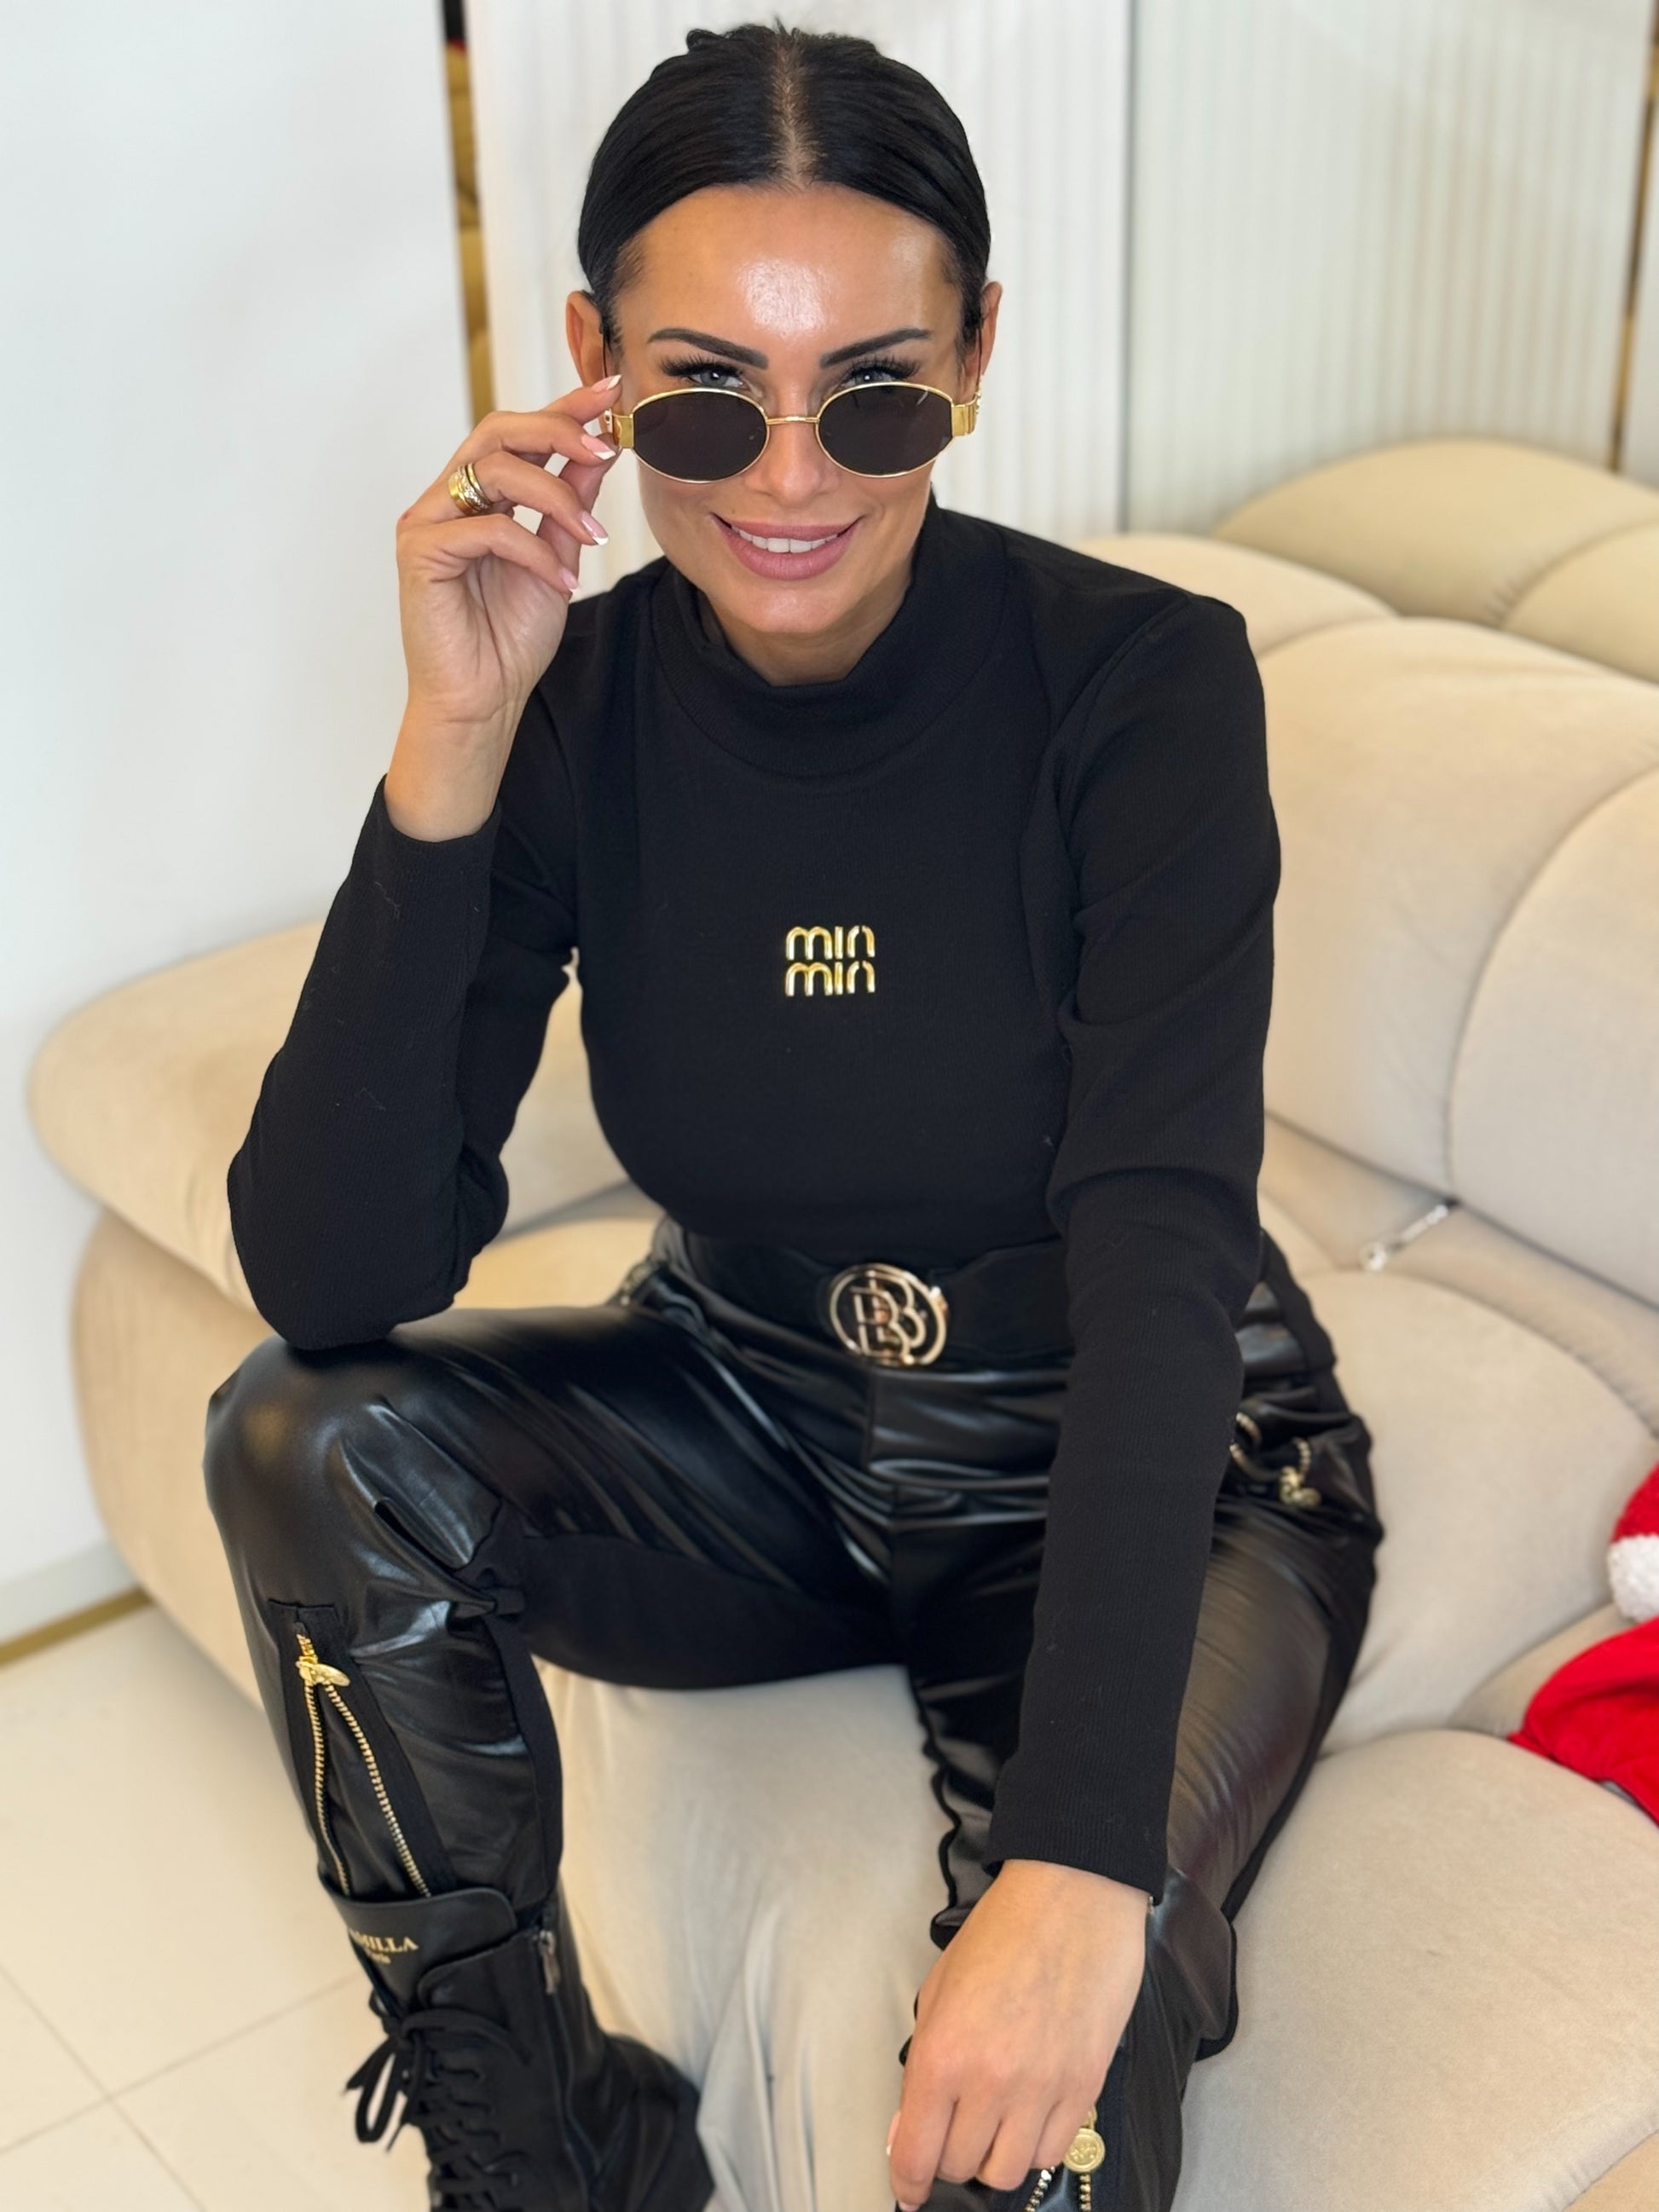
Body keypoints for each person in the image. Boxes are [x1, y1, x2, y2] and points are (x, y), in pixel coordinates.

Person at [202, 19, 1383, 2212]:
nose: (788, 474)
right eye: (701, 391)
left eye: (876, 389)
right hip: (756, 1422)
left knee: (1034, 2137)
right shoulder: (575, 710)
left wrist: (1078, 1865)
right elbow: (332, 1273)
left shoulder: (1142, 688)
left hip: (1135, 1449)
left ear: (977, 355)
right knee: (301, 1436)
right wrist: (452, 742)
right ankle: (555, 2158)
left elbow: (1158, 1243)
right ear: (593, 366)